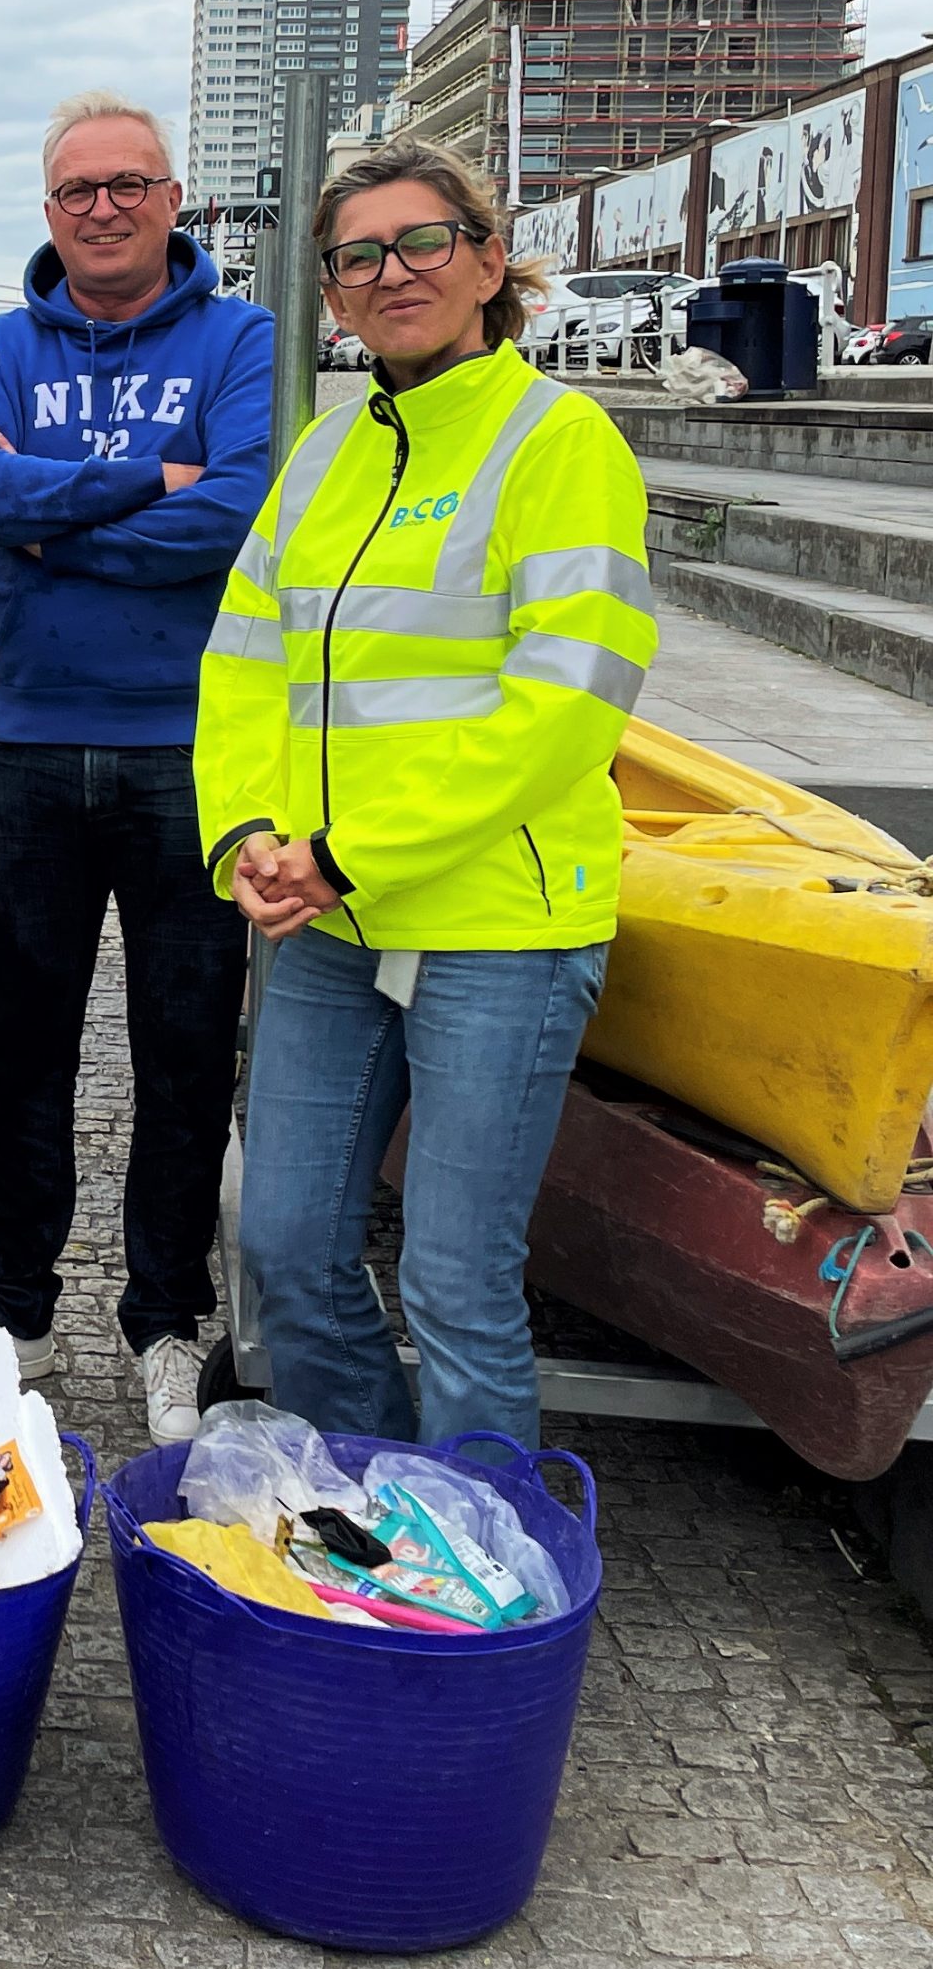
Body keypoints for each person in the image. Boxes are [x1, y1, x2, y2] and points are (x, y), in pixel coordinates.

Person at [197, 136, 656, 1450]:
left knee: (457, 1285)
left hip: (500, 926)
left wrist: (349, 850)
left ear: (488, 260)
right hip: (336, 923)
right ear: (333, 296)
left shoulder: (559, 443)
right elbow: (243, 668)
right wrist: (246, 833)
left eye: (420, 243)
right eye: (356, 258)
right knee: (288, 1248)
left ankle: (485, 1581)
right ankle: (386, 1508)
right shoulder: (327, 457)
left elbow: (566, 703)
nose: (388, 272)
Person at [0, 91, 273, 1442]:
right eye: (79, 190)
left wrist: (51, 523)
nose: (105, 208)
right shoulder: (0, 348)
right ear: (50, 209)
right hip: (25, 747)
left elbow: (240, 514)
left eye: (130, 184)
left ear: (172, 199)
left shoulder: (240, 338)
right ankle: (12, 1301)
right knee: (17, 1043)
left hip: (191, 754)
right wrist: (151, 481)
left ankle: (164, 1315)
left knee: (184, 1049)